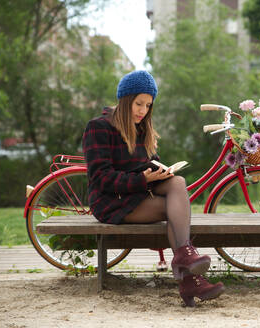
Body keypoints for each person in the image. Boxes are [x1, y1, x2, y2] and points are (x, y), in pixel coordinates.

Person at [82, 70, 224, 307]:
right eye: (138, 103)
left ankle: (184, 259)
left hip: (139, 193)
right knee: (174, 210)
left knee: (177, 183)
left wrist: (160, 173)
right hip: (110, 201)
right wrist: (143, 180)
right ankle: (190, 277)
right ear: (125, 99)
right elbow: (100, 178)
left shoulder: (142, 128)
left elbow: (148, 164)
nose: (142, 111)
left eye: (148, 105)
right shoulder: (98, 127)